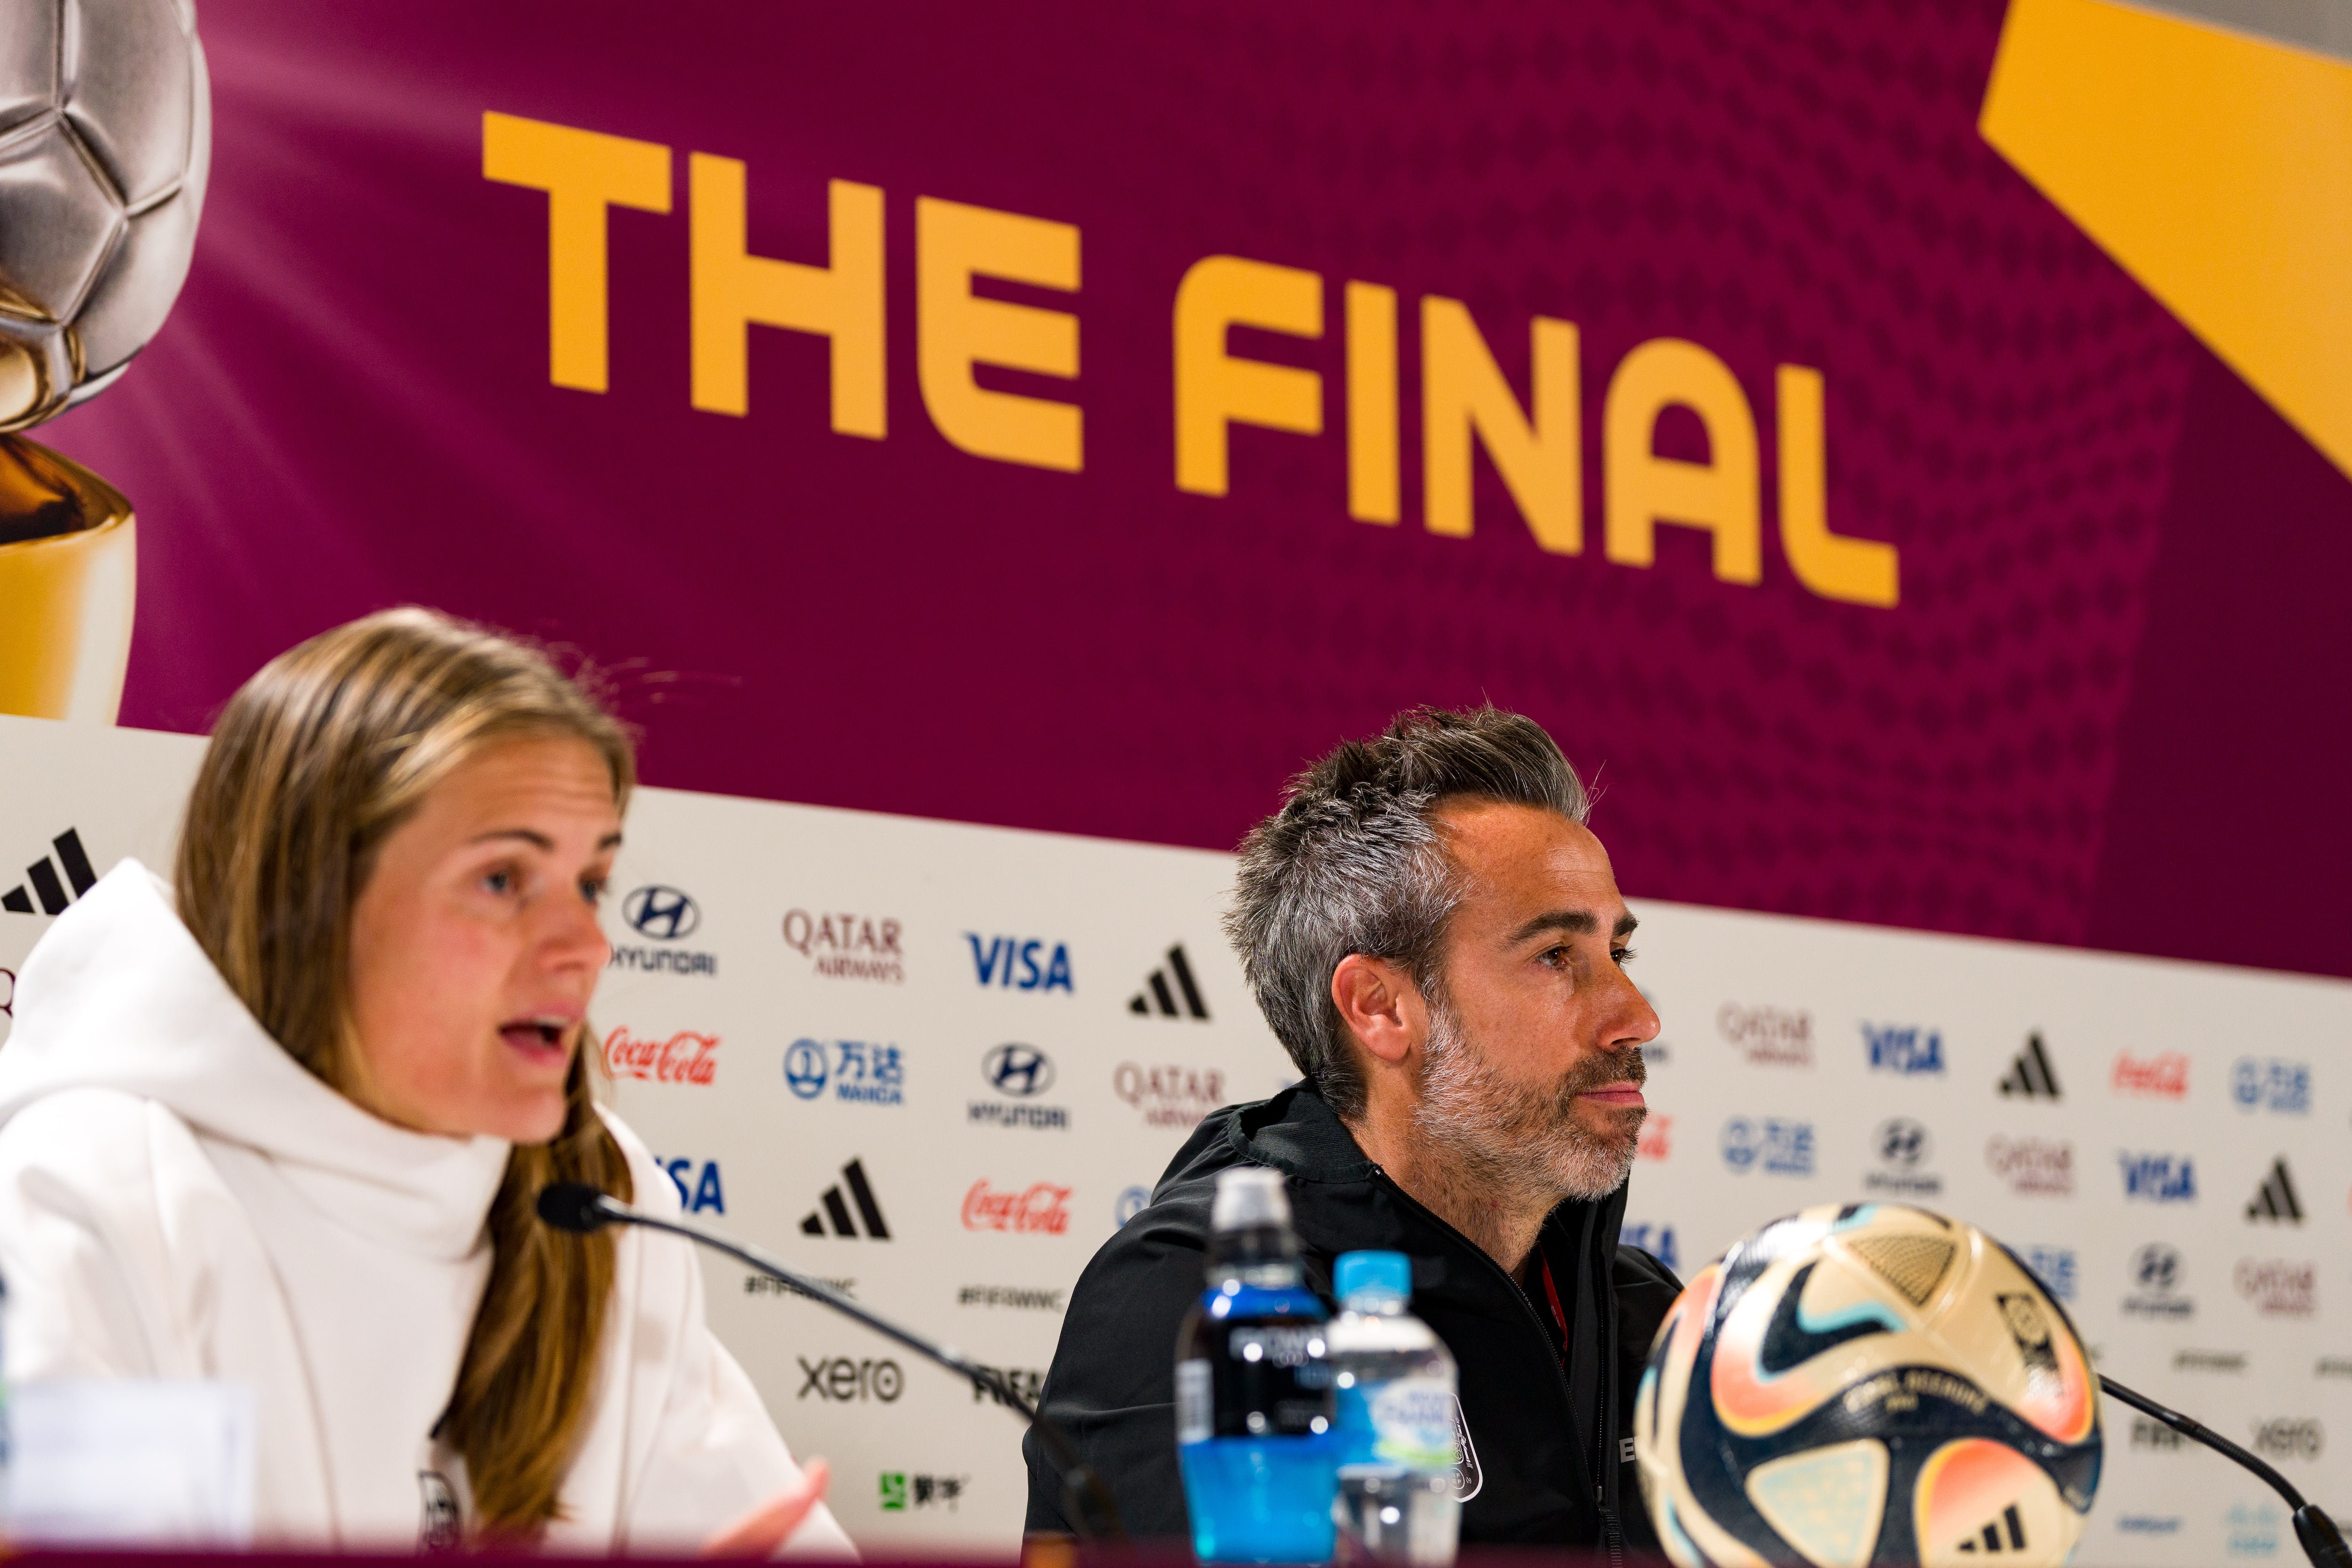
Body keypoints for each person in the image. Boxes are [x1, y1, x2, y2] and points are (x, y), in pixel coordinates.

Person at [0, 609, 852, 1554]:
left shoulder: (597, 1193)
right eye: (501, 879)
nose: (586, 946)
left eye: (591, 882)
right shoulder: (95, 1194)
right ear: (310, 896)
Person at [1025, 706, 1678, 1552]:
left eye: (1617, 955)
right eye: (1557, 956)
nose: (1637, 1017)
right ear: (1379, 1008)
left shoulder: (1649, 1317)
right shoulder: (1207, 1312)